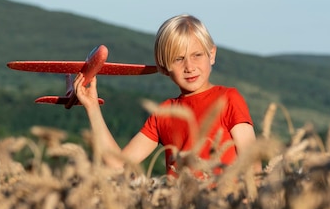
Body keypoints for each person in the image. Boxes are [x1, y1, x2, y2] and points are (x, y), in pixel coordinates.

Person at [73, 14, 257, 177]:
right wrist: (92, 107)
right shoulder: (164, 113)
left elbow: (252, 163)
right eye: (178, 59)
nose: (189, 66)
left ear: (212, 54)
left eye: (197, 55)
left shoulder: (228, 99)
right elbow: (118, 165)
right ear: (163, 67)